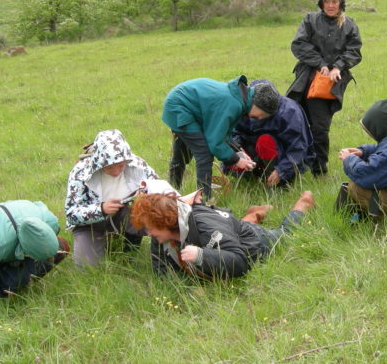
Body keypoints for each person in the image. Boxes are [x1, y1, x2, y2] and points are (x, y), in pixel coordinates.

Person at [131, 189, 315, 279]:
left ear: (165, 223)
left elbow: (240, 261)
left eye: (150, 227)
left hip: (255, 242)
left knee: (286, 234)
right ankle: (257, 212)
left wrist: (202, 256)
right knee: (232, 232)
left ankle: (304, 202)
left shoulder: (205, 227)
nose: (147, 233)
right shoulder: (162, 234)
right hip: (230, 230)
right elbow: (161, 270)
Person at [286, 0, 363, 175]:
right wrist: (320, 63)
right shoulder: (310, 20)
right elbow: (299, 44)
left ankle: (319, 170)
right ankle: (296, 164)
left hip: (329, 84)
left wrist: (338, 66)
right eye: (327, 1)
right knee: (298, 122)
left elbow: (354, 50)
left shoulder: (349, 24)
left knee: (320, 127)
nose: (331, 5)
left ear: (340, 3)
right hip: (305, 79)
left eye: (335, 1)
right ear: (321, 3)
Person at [162, 76, 280, 199]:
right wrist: (236, 160)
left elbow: (223, 133)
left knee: (182, 152)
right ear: (257, 105)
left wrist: (238, 151)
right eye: (263, 114)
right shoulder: (232, 105)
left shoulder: (238, 97)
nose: (261, 118)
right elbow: (215, 142)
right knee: (204, 154)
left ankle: (172, 191)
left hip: (180, 104)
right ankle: (203, 202)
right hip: (179, 108)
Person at [65, 129, 161, 267]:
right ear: (98, 162)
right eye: (109, 168)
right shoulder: (81, 172)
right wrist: (101, 209)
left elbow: (160, 191)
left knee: (150, 211)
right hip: (90, 225)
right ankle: (103, 241)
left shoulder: (137, 165)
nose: (116, 172)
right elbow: (71, 214)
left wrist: (146, 195)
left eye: (121, 166)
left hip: (125, 214)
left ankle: (130, 252)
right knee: (86, 267)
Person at [227, 79, 315, 188]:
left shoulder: (290, 112)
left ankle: (278, 182)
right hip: (255, 153)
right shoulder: (243, 107)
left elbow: (298, 148)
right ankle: (252, 175)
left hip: (283, 157)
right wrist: (237, 152)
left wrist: (281, 171)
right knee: (231, 150)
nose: (256, 119)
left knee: (265, 141)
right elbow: (234, 134)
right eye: (253, 116)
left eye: (261, 116)